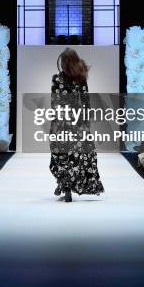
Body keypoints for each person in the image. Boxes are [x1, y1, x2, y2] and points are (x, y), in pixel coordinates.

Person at [49, 48, 104, 202]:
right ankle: (64, 184)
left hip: (61, 122)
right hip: (75, 122)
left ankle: (64, 184)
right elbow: (85, 103)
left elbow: (54, 102)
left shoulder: (57, 79)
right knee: (75, 155)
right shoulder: (80, 79)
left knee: (60, 155)